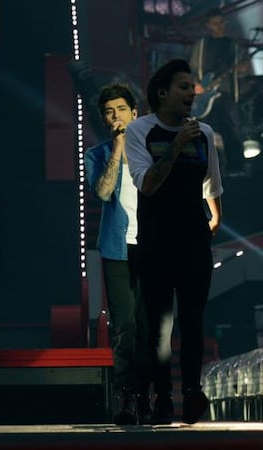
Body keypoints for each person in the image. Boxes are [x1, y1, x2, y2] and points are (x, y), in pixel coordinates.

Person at [125, 59, 223, 425]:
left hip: (194, 240)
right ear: (162, 92)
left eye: (192, 87)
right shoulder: (140, 130)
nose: (191, 94)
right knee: (159, 326)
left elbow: (212, 184)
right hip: (155, 241)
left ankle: (193, 393)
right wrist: (177, 143)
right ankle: (163, 398)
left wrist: (215, 218)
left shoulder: (204, 133)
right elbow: (147, 184)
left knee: (194, 320)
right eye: (184, 87)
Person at [84, 83, 151, 425]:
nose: (116, 117)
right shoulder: (97, 155)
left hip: (153, 248)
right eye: (109, 113)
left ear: (134, 113)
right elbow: (103, 191)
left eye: (121, 110)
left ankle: (147, 395)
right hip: (117, 248)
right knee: (124, 325)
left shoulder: (155, 151)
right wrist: (118, 150)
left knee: (149, 327)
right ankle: (127, 397)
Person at [189, 8, 249, 176]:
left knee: (231, 130)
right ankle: (201, 168)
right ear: (208, 25)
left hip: (226, 93)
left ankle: (236, 167)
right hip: (204, 95)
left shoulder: (233, 46)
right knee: (201, 132)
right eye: (215, 24)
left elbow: (243, 68)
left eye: (221, 22)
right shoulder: (201, 45)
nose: (219, 26)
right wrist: (195, 84)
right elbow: (192, 69)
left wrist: (243, 68)